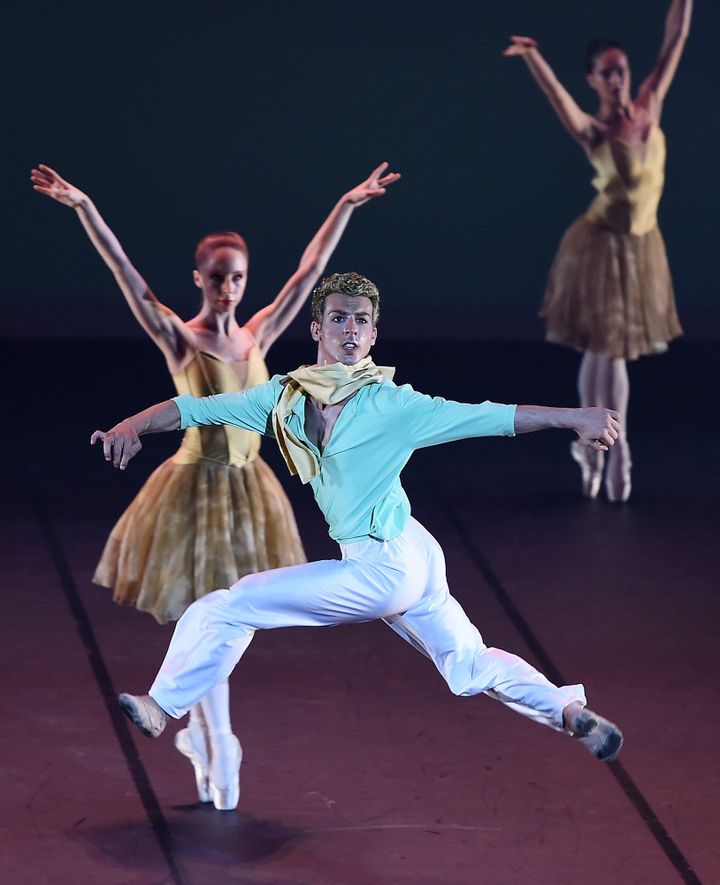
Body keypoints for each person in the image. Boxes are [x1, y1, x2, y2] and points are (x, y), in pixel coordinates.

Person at [91, 270, 625, 802]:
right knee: (469, 663)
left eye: (362, 322)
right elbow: (194, 410)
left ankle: (162, 707)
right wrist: (131, 426)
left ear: (373, 337)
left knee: (226, 606)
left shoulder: (392, 406)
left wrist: (574, 417)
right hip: (414, 551)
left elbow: (489, 417)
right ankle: (569, 711)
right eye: (340, 318)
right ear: (317, 328)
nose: (351, 330)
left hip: (382, 568)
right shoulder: (283, 400)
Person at [33, 164, 400, 810]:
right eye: (217, 277)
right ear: (199, 279)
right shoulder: (182, 337)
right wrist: (85, 205)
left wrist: (345, 202)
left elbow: (308, 274)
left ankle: (214, 740)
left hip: (247, 490)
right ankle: (215, 741)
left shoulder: (258, 333)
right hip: (190, 491)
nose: (228, 287)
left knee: (223, 615)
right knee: (206, 612)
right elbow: (125, 273)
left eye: (237, 276)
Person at [503, 0, 692, 502]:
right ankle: (615, 446)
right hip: (599, 248)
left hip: (642, 248)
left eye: (621, 70)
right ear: (594, 80)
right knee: (608, 350)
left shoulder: (651, 103)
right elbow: (557, 98)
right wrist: (532, 57)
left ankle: (593, 447)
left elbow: (675, 40)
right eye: (605, 74)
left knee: (606, 349)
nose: (616, 79)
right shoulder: (596, 132)